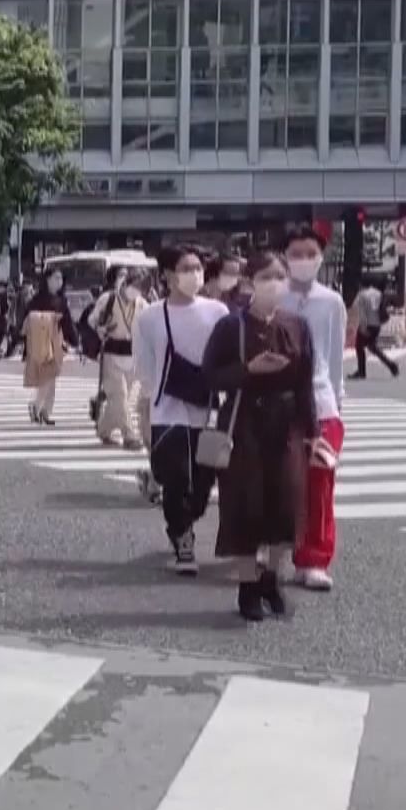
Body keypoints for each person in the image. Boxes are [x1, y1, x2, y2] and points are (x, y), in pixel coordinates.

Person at [204, 252, 317, 621]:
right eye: (266, 276)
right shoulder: (230, 326)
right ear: (250, 281)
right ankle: (247, 586)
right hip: (243, 420)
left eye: (280, 276)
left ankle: (272, 578)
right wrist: (248, 369)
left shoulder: (297, 325)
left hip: (285, 423)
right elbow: (210, 377)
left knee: (286, 505)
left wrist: (311, 430)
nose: (275, 283)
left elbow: (305, 382)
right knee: (244, 506)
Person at [132, 245, 228, 577]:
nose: (194, 274)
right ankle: (183, 541)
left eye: (198, 267)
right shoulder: (150, 316)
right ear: (168, 275)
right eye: (186, 268)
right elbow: (143, 365)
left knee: (203, 484)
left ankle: (185, 519)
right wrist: (147, 403)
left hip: (209, 408)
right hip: (166, 409)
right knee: (177, 479)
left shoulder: (218, 312)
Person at [280, 225, 347, 592]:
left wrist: (338, 403)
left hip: (321, 402)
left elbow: (335, 356)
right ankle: (273, 548)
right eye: (296, 253)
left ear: (321, 257)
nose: (303, 260)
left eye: (310, 253)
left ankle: (314, 558)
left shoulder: (331, 301)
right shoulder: (274, 296)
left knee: (320, 483)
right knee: (279, 480)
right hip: (279, 401)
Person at [87, 265, 147, 450]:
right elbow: (92, 319)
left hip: (132, 355)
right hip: (111, 352)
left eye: (140, 286)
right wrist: (100, 329)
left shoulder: (142, 303)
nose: (136, 289)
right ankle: (129, 435)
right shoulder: (108, 298)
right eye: (134, 284)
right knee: (119, 395)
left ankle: (104, 430)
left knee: (121, 399)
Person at [23, 268, 80, 425]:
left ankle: (43, 410)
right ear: (47, 279)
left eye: (61, 279)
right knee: (47, 377)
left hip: (56, 341)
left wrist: (74, 340)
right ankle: (37, 406)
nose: (59, 282)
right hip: (41, 341)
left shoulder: (62, 300)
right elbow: (27, 320)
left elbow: (67, 322)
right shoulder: (37, 300)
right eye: (56, 278)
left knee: (52, 378)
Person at [350, 276, 400, 380]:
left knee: (359, 347)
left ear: (361, 285)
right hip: (377, 325)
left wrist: (363, 327)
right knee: (373, 347)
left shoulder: (362, 295)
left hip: (367, 324)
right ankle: (391, 365)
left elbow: (361, 312)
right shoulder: (378, 293)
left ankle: (361, 371)